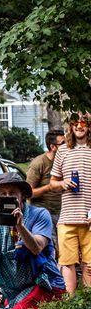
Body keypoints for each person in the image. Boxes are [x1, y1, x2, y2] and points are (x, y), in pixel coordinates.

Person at [0, 172, 64, 309]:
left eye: (12, 193)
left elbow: (36, 248)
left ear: (22, 195)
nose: (8, 196)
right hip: (15, 291)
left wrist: (20, 226)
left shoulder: (40, 214)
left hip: (45, 284)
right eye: (3, 194)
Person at [50, 117, 91, 294]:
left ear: (89, 127)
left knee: (89, 264)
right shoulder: (63, 150)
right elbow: (52, 182)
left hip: (89, 217)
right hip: (67, 217)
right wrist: (62, 184)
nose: (79, 126)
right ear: (71, 126)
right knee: (67, 262)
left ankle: (87, 304)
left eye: (83, 123)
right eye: (76, 123)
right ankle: (71, 303)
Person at [28, 129, 65, 224]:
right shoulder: (39, 163)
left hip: (64, 214)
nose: (67, 146)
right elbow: (28, 193)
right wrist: (49, 187)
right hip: (43, 214)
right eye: (63, 143)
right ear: (52, 147)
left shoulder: (67, 161)